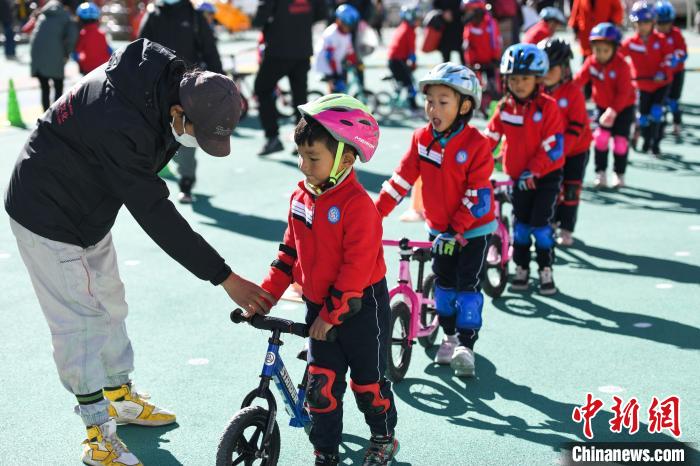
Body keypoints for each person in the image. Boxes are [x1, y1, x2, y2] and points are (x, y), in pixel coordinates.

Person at [5, 38, 273, 466]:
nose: (194, 141)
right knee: (80, 322)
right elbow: (155, 212)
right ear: (178, 112)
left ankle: (120, 397)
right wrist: (224, 276)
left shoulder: (166, 86)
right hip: (46, 212)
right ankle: (97, 432)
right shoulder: (123, 122)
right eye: (195, 132)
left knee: (111, 301)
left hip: (87, 205)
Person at [259, 94, 398, 466]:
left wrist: (329, 316)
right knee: (321, 388)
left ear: (346, 159)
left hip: (361, 306)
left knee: (369, 386)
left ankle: (383, 438)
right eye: (300, 156)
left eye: (313, 158)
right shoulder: (300, 197)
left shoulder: (359, 207)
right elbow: (288, 254)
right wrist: (263, 297)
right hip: (319, 305)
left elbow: (354, 272)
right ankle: (325, 453)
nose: (304, 166)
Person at [375, 63, 496, 377]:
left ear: (464, 106)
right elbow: (402, 179)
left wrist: (456, 230)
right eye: (430, 101)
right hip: (439, 228)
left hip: (473, 230)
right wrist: (375, 213)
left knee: (467, 287)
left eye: (444, 101)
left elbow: (477, 195)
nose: (434, 108)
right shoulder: (421, 139)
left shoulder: (477, 144)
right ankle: (449, 336)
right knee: (443, 287)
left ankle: (466, 345)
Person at [485, 44, 564, 295]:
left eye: (525, 79)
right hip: (518, 178)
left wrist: (534, 171)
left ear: (538, 80)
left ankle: (545, 270)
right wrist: (471, 159)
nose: (519, 84)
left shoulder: (548, 107)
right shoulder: (504, 108)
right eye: (514, 79)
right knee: (520, 228)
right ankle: (521, 268)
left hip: (546, 177)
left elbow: (554, 147)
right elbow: (490, 137)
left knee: (540, 228)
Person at [138, 0, 223, 203]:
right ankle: (152, 180)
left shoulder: (194, 16)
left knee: (185, 137)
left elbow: (209, 50)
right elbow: (138, 51)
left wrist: (220, 83)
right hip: (156, 91)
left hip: (187, 90)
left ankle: (186, 183)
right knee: (152, 137)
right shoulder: (153, 15)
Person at [252, 0, 326, 156]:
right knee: (300, 97)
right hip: (302, 49)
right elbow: (321, 12)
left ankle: (272, 137)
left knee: (262, 89)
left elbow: (260, 18)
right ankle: (303, 141)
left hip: (279, 50)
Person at [539, 38, 592, 246]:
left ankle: (566, 227)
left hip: (575, 151)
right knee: (551, 189)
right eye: (543, 69)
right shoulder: (538, 92)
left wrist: (561, 151)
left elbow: (577, 127)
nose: (546, 73)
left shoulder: (573, 92)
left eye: (552, 68)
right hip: (550, 152)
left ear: (564, 68)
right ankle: (550, 222)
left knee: (570, 189)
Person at [573, 23, 636, 189]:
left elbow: (624, 93)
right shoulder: (591, 62)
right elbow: (578, 80)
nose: (600, 54)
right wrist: (564, 90)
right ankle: (600, 172)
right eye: (597, 49)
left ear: (615, 49)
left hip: (623, 109)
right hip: (601, 107)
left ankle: (619, 173)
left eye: (605, 50)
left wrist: (613, 111)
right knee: (600, 139)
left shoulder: (622, 66)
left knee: (620, 143)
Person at [620, 1, 672, 157]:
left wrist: (663, 71)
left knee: (656, 112)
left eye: (645, 22)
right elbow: (618, 58)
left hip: (661, 84)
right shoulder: (630, 43)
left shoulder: (661, 40)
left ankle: (655, 144)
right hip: (642, 85)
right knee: (643, 118)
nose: (642, 26)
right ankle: (644, 137)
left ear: (653, 22)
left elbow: (669, 59)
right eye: (638, 23)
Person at [29, 0, 78, 111]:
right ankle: (56, 117)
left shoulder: (43, 15)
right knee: (58, 86)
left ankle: (45, 116)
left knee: (44, 88)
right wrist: (66, 54)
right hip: (55, 55)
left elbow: (34, 37)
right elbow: (72, 38)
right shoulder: (66, 17)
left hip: (37, 57)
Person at [654, 0, 687, 136]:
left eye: (666, 23)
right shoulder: (653, 36)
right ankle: (657, 128)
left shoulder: (676, 34)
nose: (663, 26)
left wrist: (676, 58)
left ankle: (677, 123)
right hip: (660, 75)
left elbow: (683, 52)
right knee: (659, 103)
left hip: (677, 73)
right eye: (660, 23)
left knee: (673, 101)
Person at [315, 4, 360, 93]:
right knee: (334, 91)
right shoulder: (331, 33)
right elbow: (329, 57)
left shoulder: (347, 33)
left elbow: (350, 51)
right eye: (347, 25)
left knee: (343, 85)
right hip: (326, 65)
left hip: (336, 63)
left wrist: (356, 62)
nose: (348, 28)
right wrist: (336, 75)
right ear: (340, 21)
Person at [462, 0, 501, 100]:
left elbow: (496, 42)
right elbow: (468, 46)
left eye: (470, 10)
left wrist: (495, 58)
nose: (468, 14)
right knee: (477, 88)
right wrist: (471, 62)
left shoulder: (491, 24)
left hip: (490, 62)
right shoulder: (469, 26)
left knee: (494, 87)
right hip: (476, 63)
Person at [387, 5, 419, 110]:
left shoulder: (403, 26)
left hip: (395, 60)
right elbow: (412, 51)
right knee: (409, 83)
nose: (417, 20)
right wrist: (413, 63)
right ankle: (413, 107)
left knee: (403, 82)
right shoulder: (409, 30)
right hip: (397, 61)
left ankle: (398, 99)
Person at [73, 2, 111, 75]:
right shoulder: (102, 34)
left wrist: (80, 65)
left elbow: (76, 54)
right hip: (103, 69)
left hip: (88, 70)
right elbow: (109, 51)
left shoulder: (83, 34)